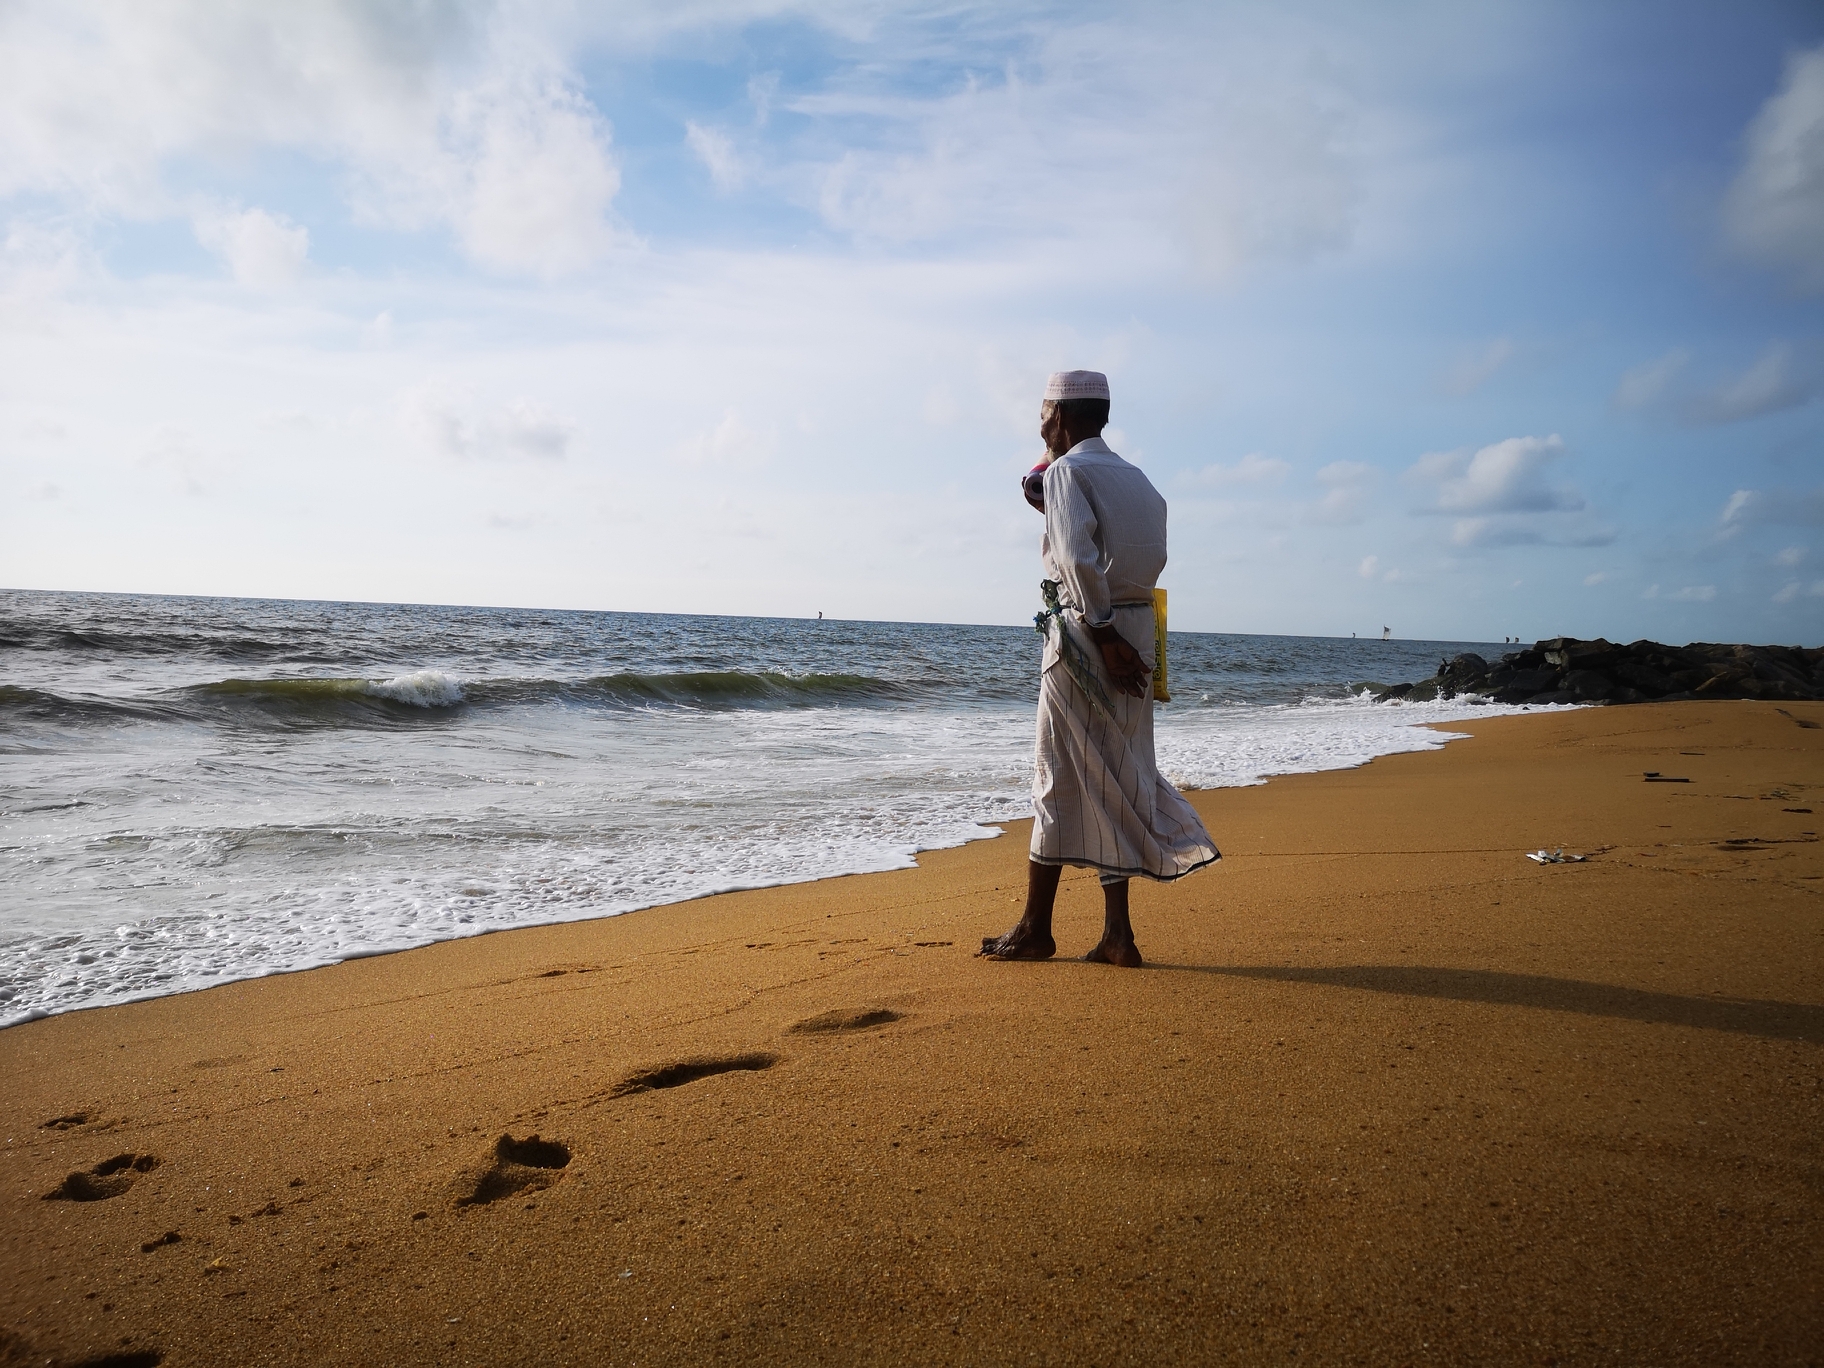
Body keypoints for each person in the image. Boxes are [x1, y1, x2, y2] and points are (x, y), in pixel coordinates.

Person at [979, 370, 1219, 968]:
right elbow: (1139, 554)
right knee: (1117, 770)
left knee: (1057, 774)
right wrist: (1121, 631)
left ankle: (1037, 928)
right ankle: (1117, 934)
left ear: (1058, 414)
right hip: (1136, 628)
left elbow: (1077, 560)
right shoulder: (1136, 479)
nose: (1037, 421)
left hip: (1090, 635)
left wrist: (1104, 634)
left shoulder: (1066, 473)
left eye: (1042, 411)